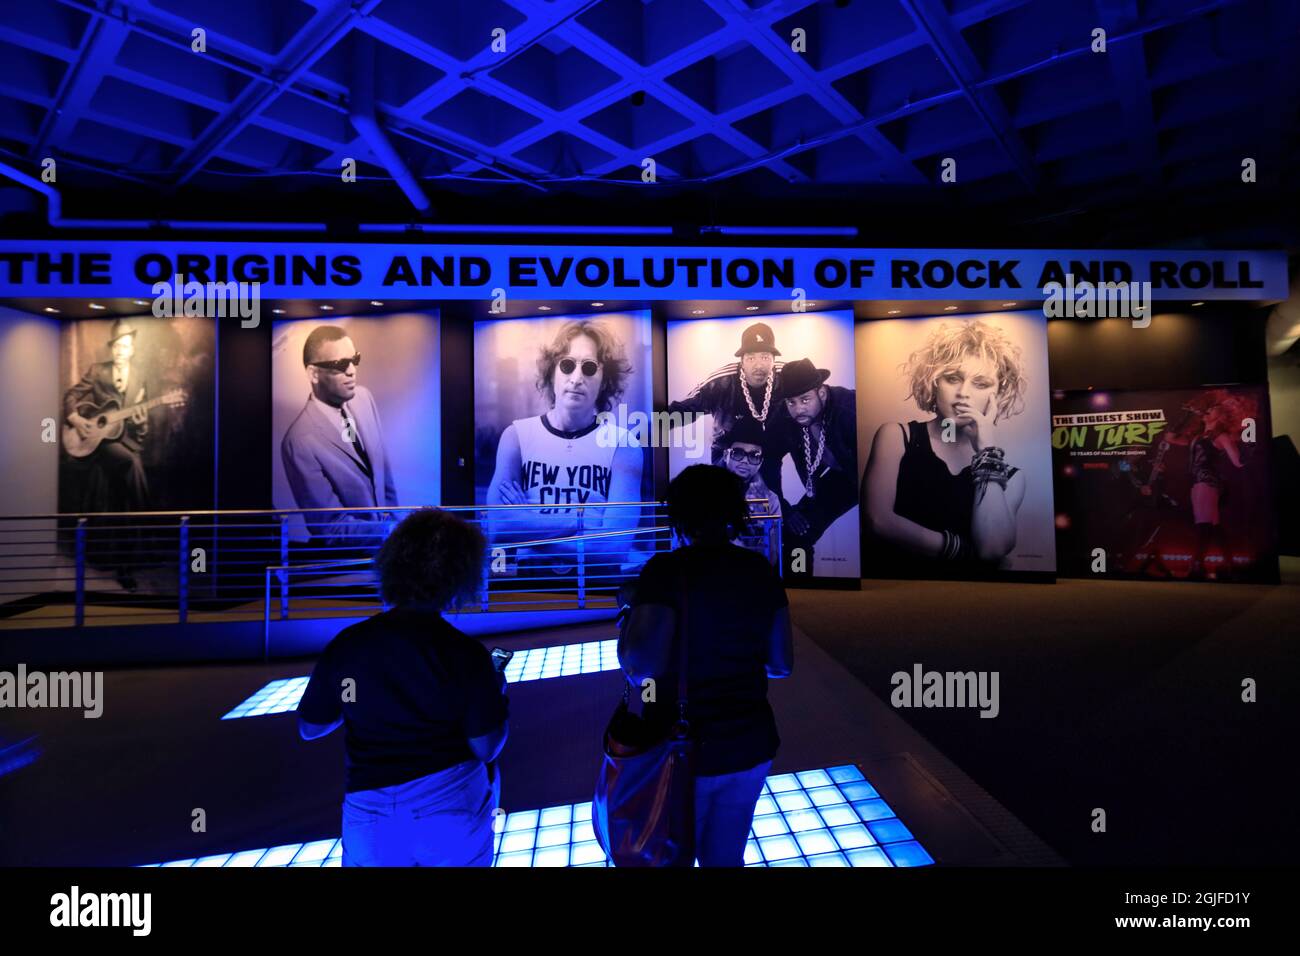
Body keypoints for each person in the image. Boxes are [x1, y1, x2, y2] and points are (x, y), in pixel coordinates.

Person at [296, 508, 508, 866]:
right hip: (449, 803)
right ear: (460, 575)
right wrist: (498, 694)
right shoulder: (464, 654)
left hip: (369, 813)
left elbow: (310, 727)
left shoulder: (348, 645)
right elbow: (486, 746)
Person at [618, 464, 794, 867]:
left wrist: (629, 610)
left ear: (678, 514)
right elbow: (782, 664)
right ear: (733, 511)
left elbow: (640, 667)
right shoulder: (759, 571)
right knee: (726, 857)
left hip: (680, 747)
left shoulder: (665, 571)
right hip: (750, 741)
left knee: (670, 855)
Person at [861, 320, 1028, 573]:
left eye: (981, 383)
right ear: (934, 382)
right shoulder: (896, 436)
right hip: (893, 593)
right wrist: (959, 549)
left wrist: (986, 451)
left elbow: (992, 549)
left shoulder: (1013, 476)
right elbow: (877, 521)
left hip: (970, 601)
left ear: (998, 394)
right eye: (952, 378)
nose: (964, 393)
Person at [485, 319, 644, 578]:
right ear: (552, 372)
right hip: (529, 589)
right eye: (567, 365)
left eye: (590, 368)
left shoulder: (623, 445)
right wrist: (579, 523)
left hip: (597, 589)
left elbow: (615, 547)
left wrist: (528, 528)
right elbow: (499, 528)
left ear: (605, 381)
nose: (577, 378)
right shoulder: (516, 436)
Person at [281, 326, 399, 547]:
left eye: (355, 359)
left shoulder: (364, 399)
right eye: (340, 364)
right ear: (313, 374)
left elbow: (385, 481)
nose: (352, 370)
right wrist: (391, 531)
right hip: (348, 562)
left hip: (390, 554)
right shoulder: (298, 441)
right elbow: (329, 526)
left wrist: (397, 531)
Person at [62, 319, 152, 590]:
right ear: (112, 349)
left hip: (124, 438)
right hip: (98, 441)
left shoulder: (140, 377)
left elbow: (139, 422)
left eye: (126, 346)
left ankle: (129, 554)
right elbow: (71, 395)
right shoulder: (97, 370)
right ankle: (145, 515)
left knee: (131, 462)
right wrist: (75, 418)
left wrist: (141, 420)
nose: (120, 350)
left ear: (132, 349)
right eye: (117, 345)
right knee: (132, 464)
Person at [665, 322, 787, 490]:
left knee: (769, 503)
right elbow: (685, 409)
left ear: (774, 360)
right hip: (726, 451)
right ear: (742, 361)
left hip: (768, 452)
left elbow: (811, 395)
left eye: (765, 357)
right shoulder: (721, 381)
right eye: (751, 357)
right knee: (722, 502)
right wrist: (644, 433)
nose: (759, 365)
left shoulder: (787, 377)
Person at [766, 358, 858, 580]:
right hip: (841, 477)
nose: (798, 409)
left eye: (805, 399)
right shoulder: (785, 416)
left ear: (822, 393)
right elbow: (768, 462)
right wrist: (786, 511)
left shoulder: (850, 408)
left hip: (871, 471)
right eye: (791, 402)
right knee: (796, 532)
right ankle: (801, 589)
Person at [718, 417, 781, 560]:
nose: (745, 460)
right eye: (738, 453)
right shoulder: (702, 490)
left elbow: (773, 557)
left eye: (754, 455)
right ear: (725, 454)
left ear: (760, 462)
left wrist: (762, 523)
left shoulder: (770, 500)